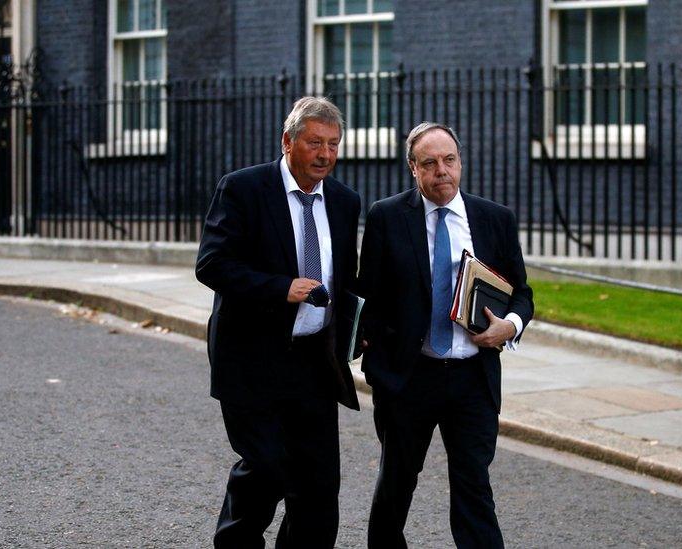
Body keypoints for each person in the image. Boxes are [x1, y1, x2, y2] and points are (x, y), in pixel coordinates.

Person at [195, 96, 361, 548]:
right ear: (288, 142)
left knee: (318, 489)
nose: (324, 154)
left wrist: (357, 329)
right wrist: (279, 287)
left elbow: (346, 279)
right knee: (265, 470)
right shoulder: (243, 189)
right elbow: (211, 265)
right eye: (314, 143)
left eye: (333, 144)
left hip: (314, 363)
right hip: (252, 358)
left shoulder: (345, 202)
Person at [358, 122, 533, 548]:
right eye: (430, 163)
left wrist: (508, 327)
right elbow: (368, 296)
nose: (442, 171)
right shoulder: (386, 216)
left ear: (461, 163)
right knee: (397, 483)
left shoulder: (495, 219)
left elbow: (522, 295)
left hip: (473, 379)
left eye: (449, 160)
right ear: (413, 169)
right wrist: (376, 363)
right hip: (409, 377)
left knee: (474, 487)